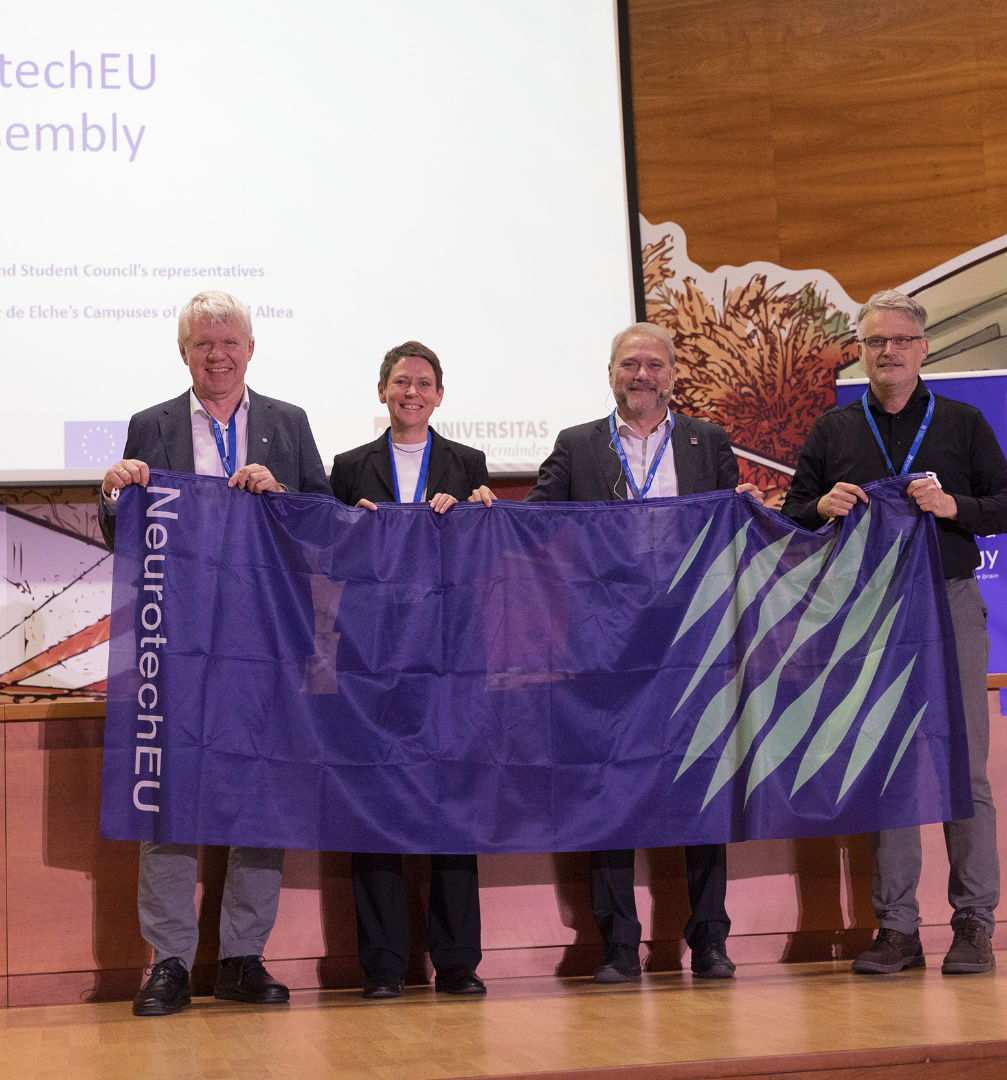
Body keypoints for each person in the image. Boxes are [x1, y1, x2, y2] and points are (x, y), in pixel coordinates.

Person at [99, 290, 331, 1015]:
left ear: (251, 350)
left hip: (265, 643)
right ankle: (168, 962)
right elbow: (125, 543)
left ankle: (241, 958)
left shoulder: (288, 424)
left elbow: (322, 530)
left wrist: (282, 494)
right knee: (169, 799)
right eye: (203, 343)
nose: (217, 354)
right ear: (185, 352)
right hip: (174, 646)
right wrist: (115, 499)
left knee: (261, 798)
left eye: (229, 342)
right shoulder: (153, 424)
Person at [782, 289, 1007, 976]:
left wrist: (954, 505)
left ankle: (974, 922)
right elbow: (793, 513)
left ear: (924, 348)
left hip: (947, 600)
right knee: (888, 768)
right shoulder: (834, 430)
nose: (888, 351)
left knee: (965, 768)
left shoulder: (963, 422)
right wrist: (818, 506)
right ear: (860, 352)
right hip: (869, 614)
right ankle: (897, 929)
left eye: (900, 340)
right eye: (875, 342)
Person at [526, 321, 757, 983]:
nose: (643, 375)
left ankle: (709, 940)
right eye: (630, 364)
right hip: (604, 645)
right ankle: (619, 946)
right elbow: (537, 524)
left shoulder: (707, 441)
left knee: (704, 789)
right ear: (611, 373)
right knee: (608, 790)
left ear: (672, 376)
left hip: (694, 640)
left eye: (655, 365)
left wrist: (743, 508)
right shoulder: (578, 445)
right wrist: (489, 511)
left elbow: (728, 533)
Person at [330, 340, 493, 1000]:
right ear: (381, 391)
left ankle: (457, 963)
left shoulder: (468, 464)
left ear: (440, 394)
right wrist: (350, 526)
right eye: (401, 381)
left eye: (424, 383)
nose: (412, 392)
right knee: (375, 809)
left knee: (452, 806)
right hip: (369, 660)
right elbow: (327, 557)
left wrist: (483, 516)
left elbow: (484, 562)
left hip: (449, 657)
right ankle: (383, 964)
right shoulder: (347, 467)